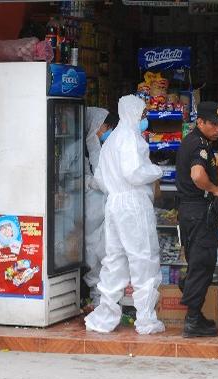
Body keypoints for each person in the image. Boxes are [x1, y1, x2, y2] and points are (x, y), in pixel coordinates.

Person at [84, 95, 165, 335]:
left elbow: (99, 178)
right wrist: (157, 170)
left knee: (115, 262)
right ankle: (146, 320)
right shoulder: (130, 137)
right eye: (142, 115)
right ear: (134, 114)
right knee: (144, 260)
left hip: (114, 204)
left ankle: (104, 317)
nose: (144, 120)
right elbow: (133, 173)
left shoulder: (110, 142)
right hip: (133, 204)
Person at [175, 101, 218, 338]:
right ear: (200, 122)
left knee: (198, 262)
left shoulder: (196, 142)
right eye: (214, 124)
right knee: (202, 263)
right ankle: (193, 320)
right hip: (198, 213)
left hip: (189, 213)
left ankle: (189, 292)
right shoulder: (199, 145)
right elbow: (197, 175)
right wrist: (215, 190)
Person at [83, 107, 119, 306]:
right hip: (88, 214)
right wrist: (91, 182)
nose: (106, 131)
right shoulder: (80, 148)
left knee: (105, 254)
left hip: (103, 212)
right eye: (104, 126)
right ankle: (97, 301)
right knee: (92, 255)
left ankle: (105, 302)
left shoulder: (102, 147)